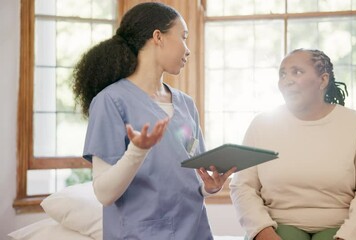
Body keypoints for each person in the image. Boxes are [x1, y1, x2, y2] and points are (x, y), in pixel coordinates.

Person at [72, 2, 235, 240]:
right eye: (183, 37)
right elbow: (104, 194)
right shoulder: (111, 101)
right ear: (158, 37)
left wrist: (208, 187)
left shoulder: (186, 104)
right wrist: (137, 150)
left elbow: (189, 176)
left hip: (195, 231)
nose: (188, 50)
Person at [230, 49, 356, 240]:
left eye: (297, 72)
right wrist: (263, 232)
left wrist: (350, 235)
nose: (287, 80)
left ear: (323, 80)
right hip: (276, 226)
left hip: (340, 228)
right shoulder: (261, 124)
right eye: (282, 74)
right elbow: (242, 186)